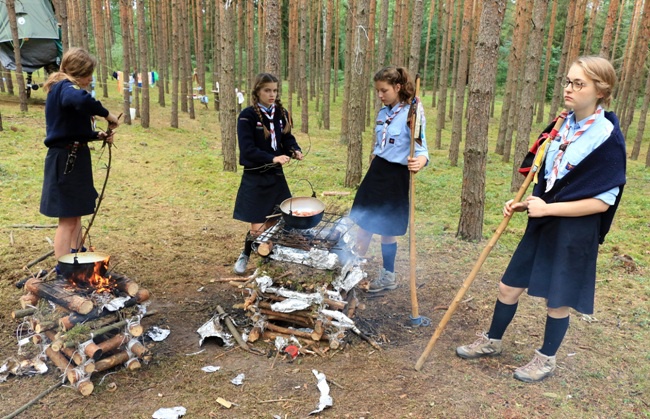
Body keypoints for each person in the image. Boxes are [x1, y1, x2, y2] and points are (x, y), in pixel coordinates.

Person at [456, 56, 626, 383]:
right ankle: (491, 340)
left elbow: (602, 202)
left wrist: (548, 209)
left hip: (574, 229)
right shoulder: (561, 125)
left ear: (601, 90)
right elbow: (550, 179)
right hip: (543, 221)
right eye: (568, 81)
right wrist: (528, 203)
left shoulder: (607, 137)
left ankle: (546, 359)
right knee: (508, 286)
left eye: (579, 84)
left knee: (557, 298)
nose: (569, 89)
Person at [348, 66, 429, 292]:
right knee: (363, 224)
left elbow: (423, 149)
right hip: (377, 172)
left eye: (384, 90)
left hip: (396, 176)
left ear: (398, 87)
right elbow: (379, 144)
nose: (380, 95)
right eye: (377, 91)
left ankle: (388, 276)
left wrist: (420, 162)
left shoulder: (413, 113)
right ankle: (351, 269)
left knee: (387, 230)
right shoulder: (384, 113)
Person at [39, 47, 120, 260]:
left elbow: (69, 128)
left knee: (75, 215)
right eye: (89, 73)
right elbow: (82, 101)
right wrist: (107, 114)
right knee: (67, 220)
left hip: (73, 157)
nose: (91, 78)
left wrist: (96, 135)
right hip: (66, 160)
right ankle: (63, 269)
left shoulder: (64, 88)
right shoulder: (65, 87)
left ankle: (76, 258)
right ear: (80, 72)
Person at [232, 73, 303, 274]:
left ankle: (267, 262)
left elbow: (287, 138)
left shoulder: (281, 112)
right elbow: (247, 150)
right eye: (267, 90)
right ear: (257, 91)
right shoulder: (247, 115)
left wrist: (294, 150)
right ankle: (246, 253)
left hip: (275, 176)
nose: (272, 94)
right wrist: (272, 158)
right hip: (255, 175)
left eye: (274, 90)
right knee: (259, 229)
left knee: (276, 222)